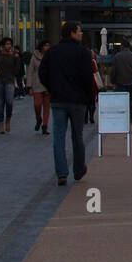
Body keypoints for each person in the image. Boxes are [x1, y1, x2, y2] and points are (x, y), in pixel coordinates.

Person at [37, 21, 94, 185]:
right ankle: (78, 170)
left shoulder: (52, 52)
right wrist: (86, 95)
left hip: (58, 100)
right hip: (78, 101)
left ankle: (62, 173)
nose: (81, 34)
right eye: (79, 31)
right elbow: (87, 76)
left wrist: (52, 88)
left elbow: (43, 73)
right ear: (71, 33)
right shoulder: (82, 52)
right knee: (78, 136)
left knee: (58, 137)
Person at [0, 36, 22, 133]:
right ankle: (1, 124)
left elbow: (16, 71)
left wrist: (17, 59)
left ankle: (8, 120)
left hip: (9, 80)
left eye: (10, 44)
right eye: (7, 44)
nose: (9, 46)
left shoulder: (14, 56)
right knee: (0, 103)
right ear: (3, 45)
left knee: (9, 102)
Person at [110, 41, 132, 123]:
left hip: (119, 81)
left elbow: (113, 70)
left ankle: (121, 117)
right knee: (130, 99)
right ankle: (131, 117)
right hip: (131, 81)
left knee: (120, 99)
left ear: (122, 46)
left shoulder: (117, 56)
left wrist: (113, 80)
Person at [28, 40, 51, 134]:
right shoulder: (34, 57)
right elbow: (30, 71)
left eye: (48, 45)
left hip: (48, 84)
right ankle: (39, 119)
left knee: (46, 107)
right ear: (41, 47)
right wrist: (29, 86)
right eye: (45, 45)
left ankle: (45, 126)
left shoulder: (51, 57)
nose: (47, 47)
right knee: (37, 105)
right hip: (37, 84)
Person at [85, 48, 100, 125]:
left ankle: (85, 117)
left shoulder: (82, 61)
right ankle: (91, 116)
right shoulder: (93, 61)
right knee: (92, 101)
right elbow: (96, 70)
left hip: (84, 83)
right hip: (92, 83)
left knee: (86, 101)